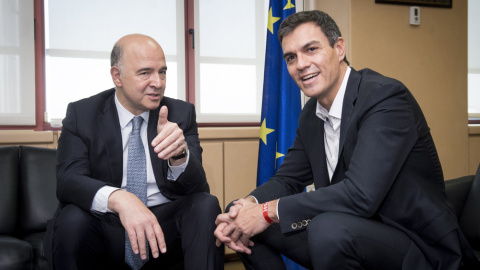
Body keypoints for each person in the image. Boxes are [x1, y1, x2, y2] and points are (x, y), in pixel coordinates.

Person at [214, 10, 480, 270]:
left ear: (339, 48)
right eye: (291, 57)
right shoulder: (311, 115)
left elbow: (361, 195)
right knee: (239, 214)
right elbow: (287, 179)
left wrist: (266, 211)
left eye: (311, 49)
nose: (301, 64)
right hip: (348, 230)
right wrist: (249, 205)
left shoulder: (384, 97)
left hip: (415, 243)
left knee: (325, 228)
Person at [44, 34, 224, 270]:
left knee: (205, 204)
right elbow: (68, 181)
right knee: (72, 220)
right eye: (145, 73)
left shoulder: (180, 113)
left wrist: (179, 155)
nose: (157, 82)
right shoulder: (82, 114)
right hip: (108, 224)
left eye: (162, 72)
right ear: (117, 76)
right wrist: (120, 199)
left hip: (162, 227)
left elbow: (198, 188)